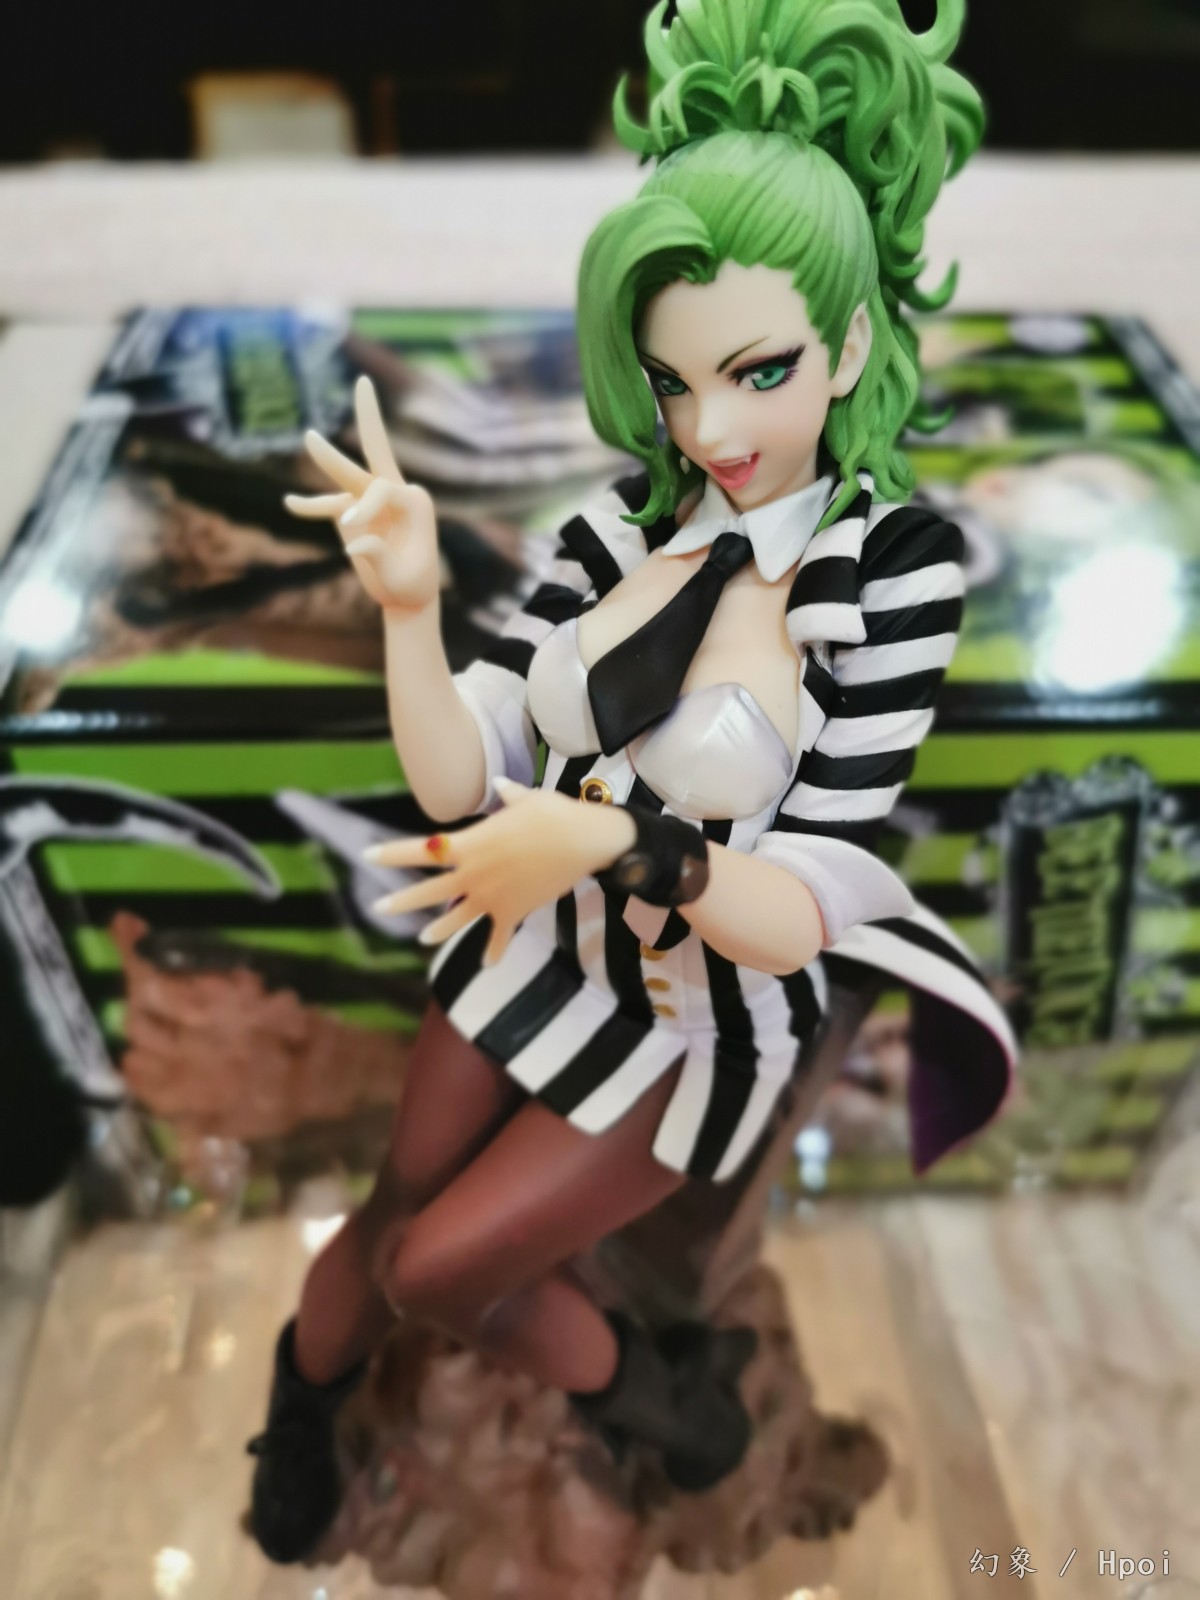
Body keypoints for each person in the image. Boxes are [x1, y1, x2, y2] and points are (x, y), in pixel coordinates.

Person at [246, 0, 1016, 1563]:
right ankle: (304, 1402)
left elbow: (805, 907)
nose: (710, 429)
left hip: (691, 1015)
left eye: (757, 370)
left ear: (850, 346)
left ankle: (653, 1398)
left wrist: (610, 841)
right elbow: (464, 775)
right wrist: (408, 608)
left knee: (434, 1269)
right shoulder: (617, 530)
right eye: (676, 384)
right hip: (529, 941)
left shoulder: (889, 575)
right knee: (393, 1216)